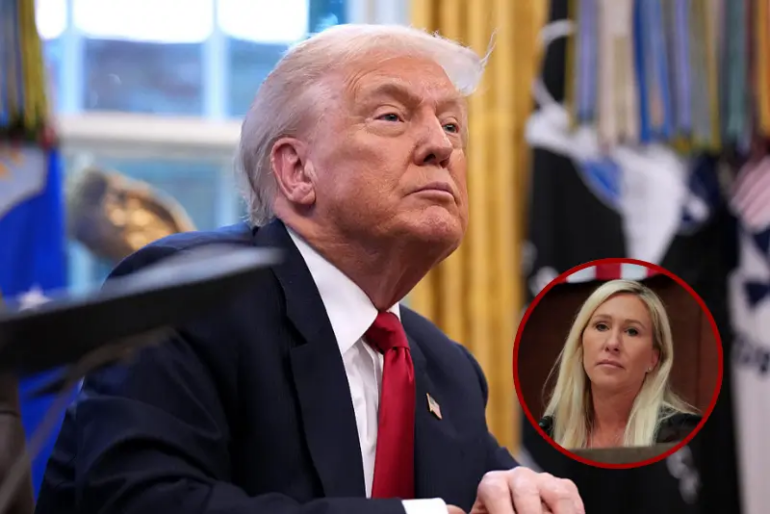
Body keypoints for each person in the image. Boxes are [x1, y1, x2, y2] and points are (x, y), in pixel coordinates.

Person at [34, 24, 584, 514]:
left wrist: (526, 495)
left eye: (452, 126)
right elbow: (142, 501)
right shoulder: (184, 301)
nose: (441, 145)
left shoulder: (450, 373)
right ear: (297, 171)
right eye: (392, 115)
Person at [538, 279, 701, 450]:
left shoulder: (686, 435)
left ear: (653, 359)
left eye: (632, 331)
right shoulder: (549, 433)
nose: (612, 343)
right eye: (601, 326)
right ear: (580, 343)